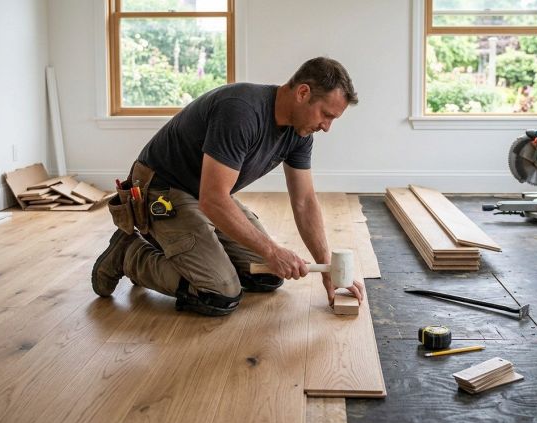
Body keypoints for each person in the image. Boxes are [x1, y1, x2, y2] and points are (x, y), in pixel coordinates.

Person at [91, 57, 365, 316]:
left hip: (205, 191)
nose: (326, 127)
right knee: (219, 293)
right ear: (303, 93)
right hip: (163, 189)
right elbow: (213, 200)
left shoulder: (300, 132)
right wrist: (272, 250)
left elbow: (304, 201)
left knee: (268, 275)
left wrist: (328, 266)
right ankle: (128, 252)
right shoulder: (241, 111)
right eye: (326, 115)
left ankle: (189, 250)